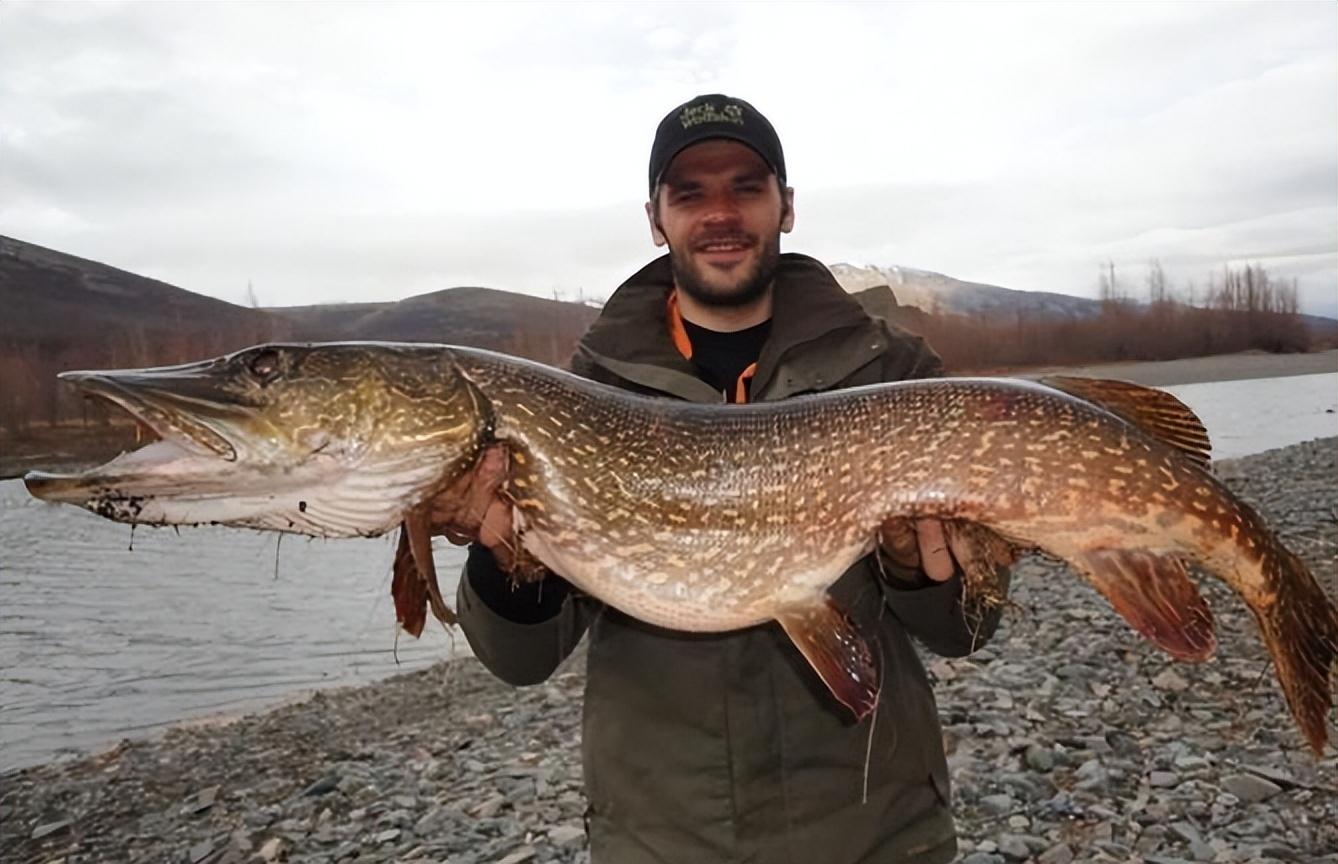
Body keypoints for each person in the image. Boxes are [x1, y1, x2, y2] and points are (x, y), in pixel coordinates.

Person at [444, 94, 1011, 864]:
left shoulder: (891, 372)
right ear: (656, 218)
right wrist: (507, 564)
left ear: (785, 205)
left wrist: (917, 573)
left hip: (877, 832)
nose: (721, 213)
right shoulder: (579, 399)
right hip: (664, 839)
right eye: (690, 193)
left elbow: (965, 630)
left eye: (746, 187)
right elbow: (520, 662)